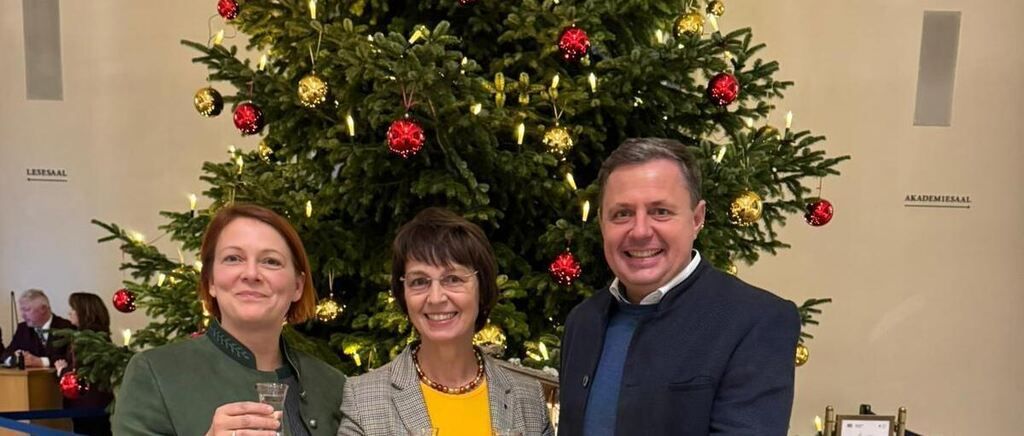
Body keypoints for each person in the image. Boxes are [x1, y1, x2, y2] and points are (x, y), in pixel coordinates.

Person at [558, 138, 801, 436]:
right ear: (601, 223)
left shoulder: (756, 321)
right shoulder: (583, 321)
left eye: (660, 211)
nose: (640, 231)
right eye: (622, 214)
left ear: (697, 219)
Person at [113, 204, 346, 436]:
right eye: (233, 258)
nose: (251, 274)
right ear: (211, 281)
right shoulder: (155, 373)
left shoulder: (331, 385)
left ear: (297, 286)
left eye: (271, 261)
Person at [338, 208, 552, 436]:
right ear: (403, 293)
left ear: (482, 288)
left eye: (453, 279)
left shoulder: (528, 398)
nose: (436, 298)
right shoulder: (364, 400)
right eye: (419, 281)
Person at [54, 292, 115, 436]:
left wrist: (61, 370)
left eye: (73, 309)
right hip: (101, 402)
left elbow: (78, 374)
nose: (70, 313)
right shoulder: (102, 336)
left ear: (84, 312)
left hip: (85, 404)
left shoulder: (83, 339)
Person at [0, 289, 75, 368]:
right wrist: (16, 359)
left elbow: (71, 359)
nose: (22, 315)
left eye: (27, 310)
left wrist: (41, 362)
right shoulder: (23, 329)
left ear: (43, 309)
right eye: (22, 310)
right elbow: (5, 354)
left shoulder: (66, 327)